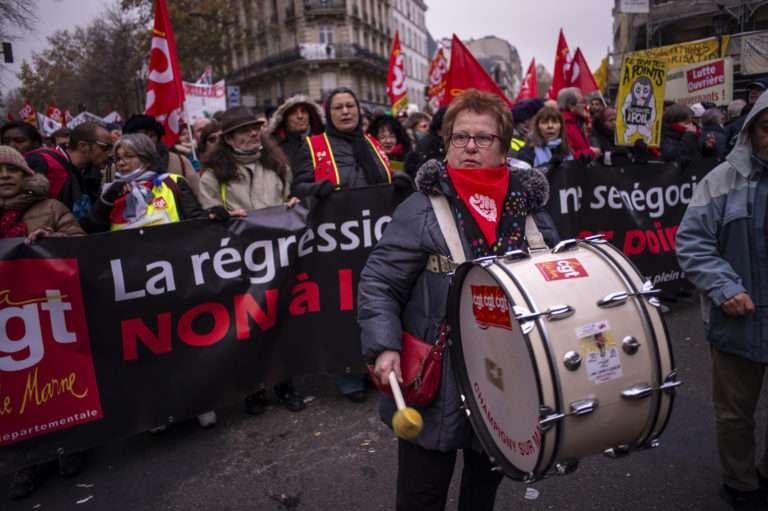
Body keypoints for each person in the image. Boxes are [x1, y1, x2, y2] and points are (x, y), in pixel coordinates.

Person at [359, 89, 554, 511]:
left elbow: (551, 278)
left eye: (483, 139)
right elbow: (379, 281)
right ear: (445, 142)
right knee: (421, 493)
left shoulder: (530, 206)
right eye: (459, 137)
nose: (469, 147)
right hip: (438, 374)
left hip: (507, 372)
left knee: (484, 487)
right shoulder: (420, 208)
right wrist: (384, 346)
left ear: (503, 146)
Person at [676, 89, 768, 511]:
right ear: (751, 130)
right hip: (738, 320)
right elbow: (692, 243)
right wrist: (726, 287)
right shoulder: (721, 180)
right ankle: (740, 483)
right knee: (735, 415)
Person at [294, 87, 406, 402]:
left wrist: (398, 184)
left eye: (350, 106)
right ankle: (348, 372)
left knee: (376, 302)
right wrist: (315, 188)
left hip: (374, 239)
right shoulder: (313, 146)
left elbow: (384, 182)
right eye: (339, 107)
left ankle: (374, 366)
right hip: (336, 243)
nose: (346, 112)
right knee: (341, 307)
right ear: (328, 114)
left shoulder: (370, 142)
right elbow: (297, 186)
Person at [199, 106, 305, 414]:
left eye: (255, 128)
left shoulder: (277, 165)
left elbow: (287, 198)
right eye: (245, 130)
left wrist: (292, 203)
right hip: (240, 262)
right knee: (248, 328)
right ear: (229, 138)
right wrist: (218, 215)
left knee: (281, 323)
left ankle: (285, 385)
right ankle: (253, 390)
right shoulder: (212, 175)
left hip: (277, 259)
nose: (252, 134)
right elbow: (207, 214)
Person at [0, 145, 85, 500]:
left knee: (58, 381)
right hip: (8, 322)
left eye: (12, 170)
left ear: (25, 176)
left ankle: (69, 447)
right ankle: (25, 463)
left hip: (51, 312)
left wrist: (54, 242)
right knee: (14, 393)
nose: (4, 177)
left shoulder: (51, 208)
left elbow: (84, 246)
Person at [24, 122, 110, 220]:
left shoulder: (88, 170)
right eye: (105, 147)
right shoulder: (42, 161)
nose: (110, 153)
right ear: (83, 146)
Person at [121, 114, 201, 196]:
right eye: (143, 136)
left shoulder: (180, 162)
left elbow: (197, 194)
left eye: (152, 136)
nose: (147, 140)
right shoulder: (119, 165)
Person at [265, 94, 325, 170]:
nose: (300, 116)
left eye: (303, 111)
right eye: (293, 112)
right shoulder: (273, 146)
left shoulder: (324, 141)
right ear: (284, 119)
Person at [557, 87, 600, 161]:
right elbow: (568, 155)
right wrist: (591, 152)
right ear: (571, 105)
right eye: (582, 102)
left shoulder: (576, 121)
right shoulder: (564, 124)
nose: (585, 105)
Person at [404, 107, 447, 179]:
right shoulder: (414, 146)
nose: (427, 129)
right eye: (424, 126)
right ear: (413, 127)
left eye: (428, 125)